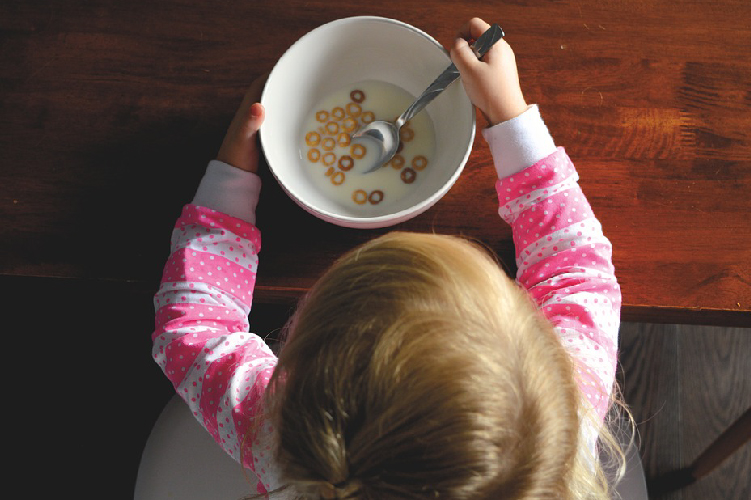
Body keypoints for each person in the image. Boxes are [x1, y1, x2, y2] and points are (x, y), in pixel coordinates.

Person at [152, 17, 632, 500]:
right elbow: (576, 270)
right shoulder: (565, 417)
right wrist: (510, 114)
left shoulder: (276, 433)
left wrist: (232, 174)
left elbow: (193, 328)